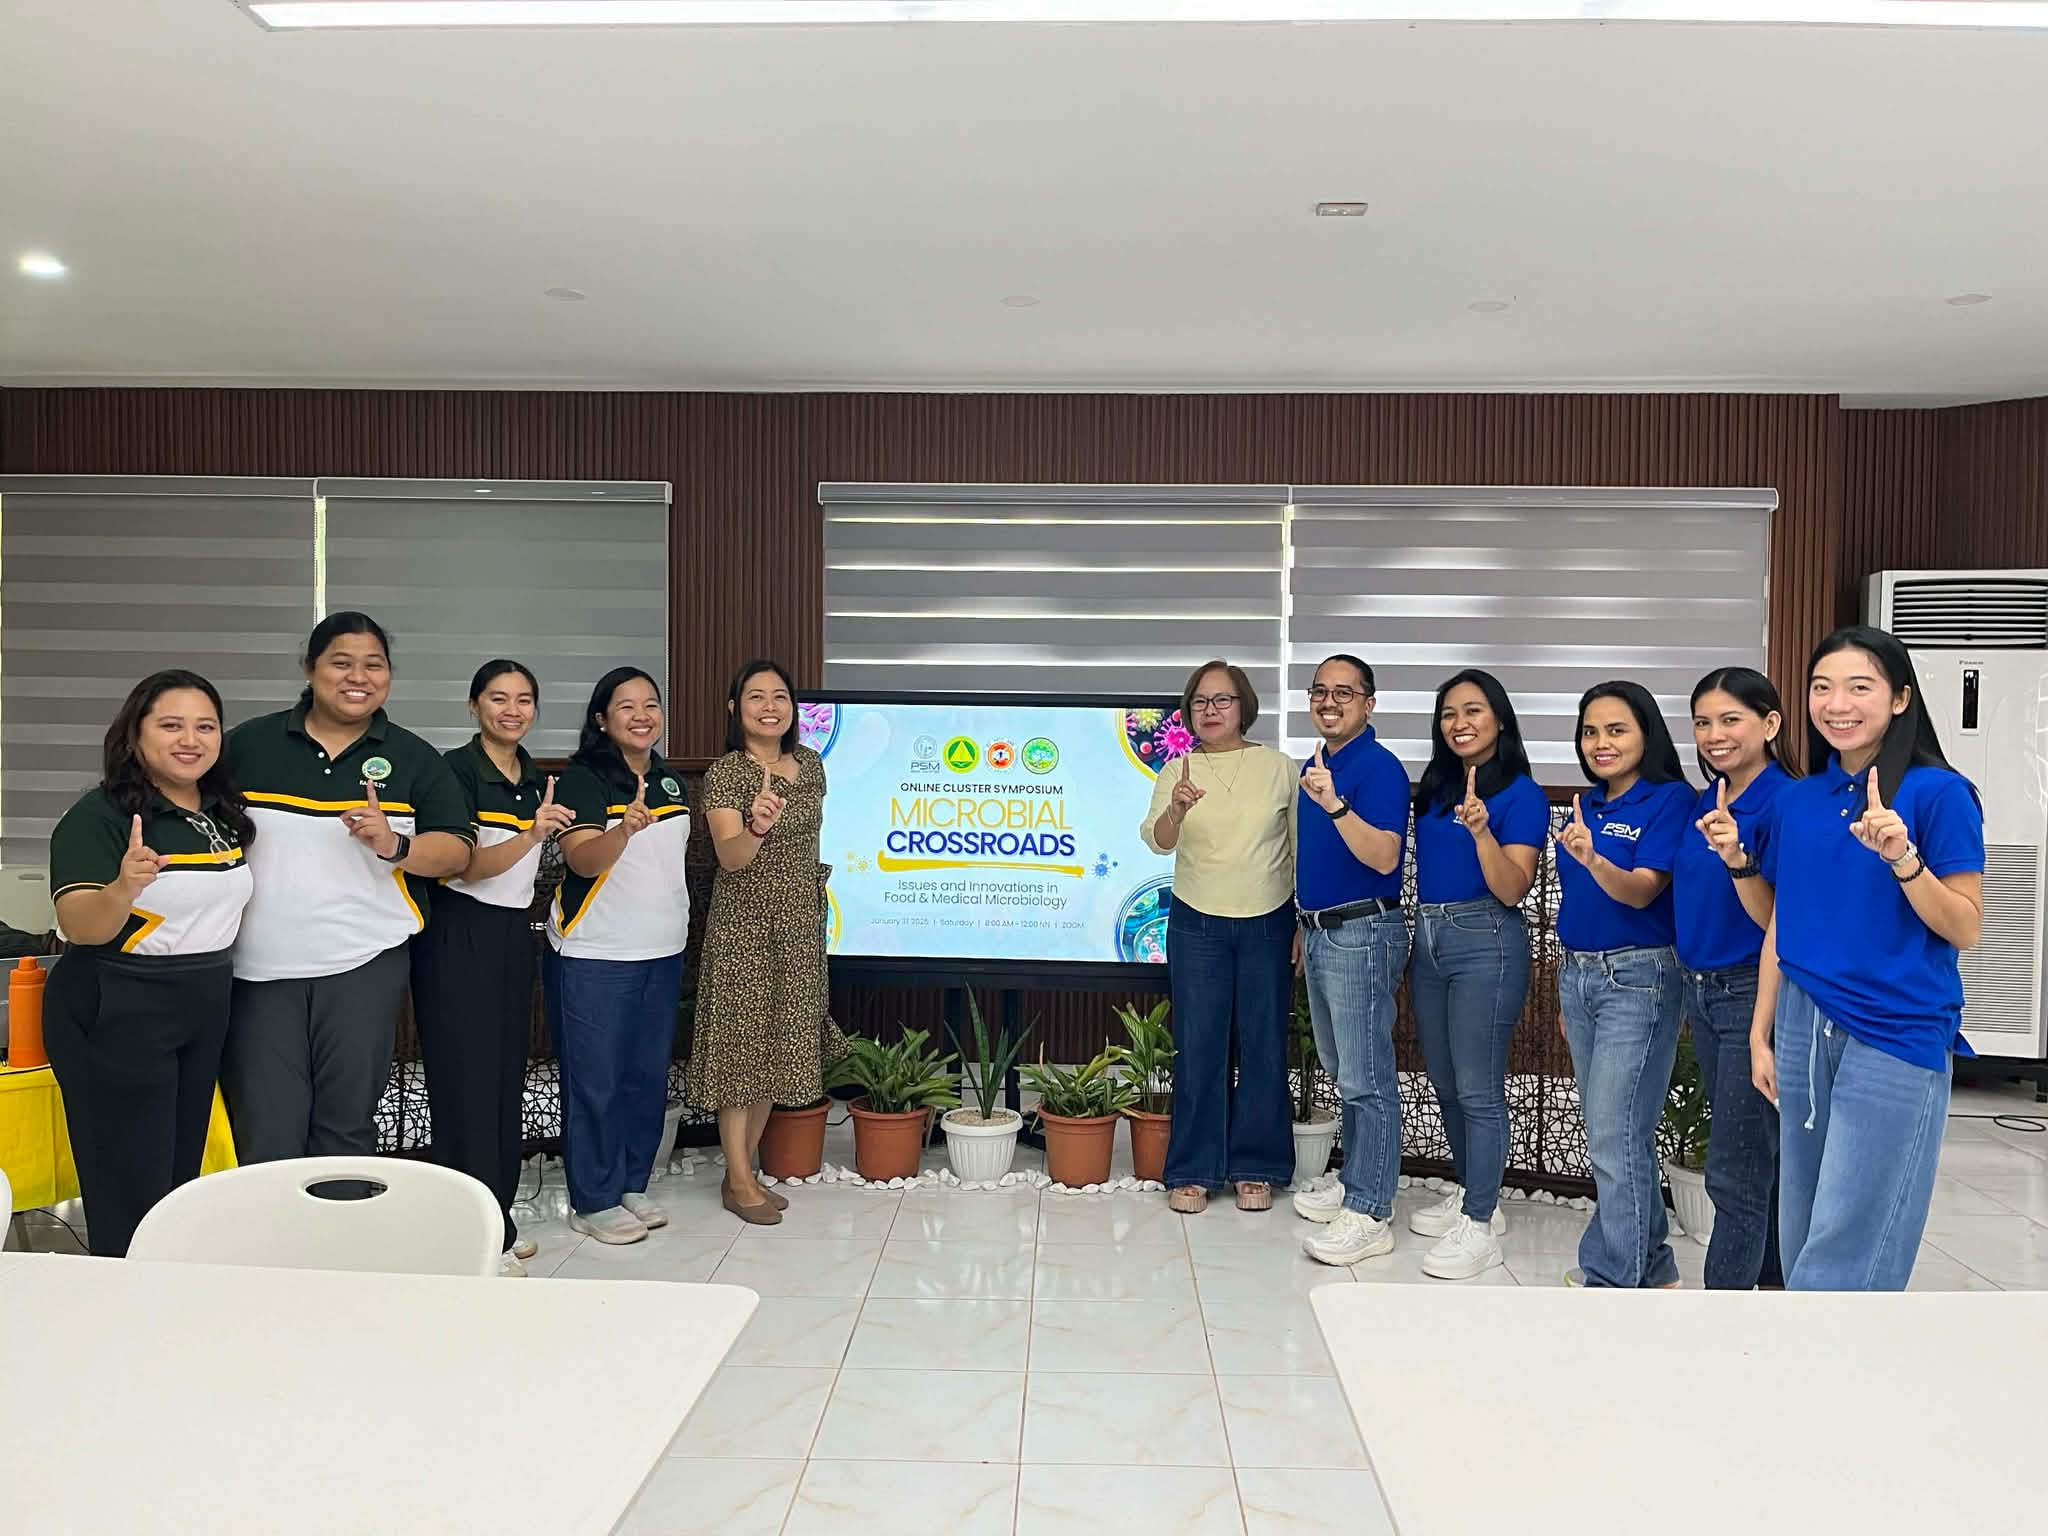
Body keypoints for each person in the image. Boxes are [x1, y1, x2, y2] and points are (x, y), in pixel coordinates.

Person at [1752, 626, 1983, 1291]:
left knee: (1855, 1231)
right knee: (1802, 1222)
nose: (1837, 704)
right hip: (1803, 1019)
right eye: (1821, 687)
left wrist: (1903, 857)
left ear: (1900, 698)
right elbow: (1784, 921)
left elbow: (1964, 925)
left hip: (1895, 1025)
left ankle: (1833, 1352)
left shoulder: (1939, 794)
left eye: (1860, 687)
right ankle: (1811, 1345)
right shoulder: (1798, 799)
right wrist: (1761, 1031)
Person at [222, 613, 471, 1166]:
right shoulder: (249, 746)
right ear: (310, 668)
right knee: (265, 1125)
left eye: (373, 665)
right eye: (341, 663)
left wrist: (395, 844)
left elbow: (457, 851)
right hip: (257, 969)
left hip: (365, 965)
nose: (358, 677)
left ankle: (340, 1223)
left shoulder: (413, 757)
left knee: (347, 1123)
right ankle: (268, 1226)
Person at [44, 671, 256, 1256]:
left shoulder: (220, 813)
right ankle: (123, 1295)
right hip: (120, 1005)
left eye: (205, 726)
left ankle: (167, 1292)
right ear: (135, 735)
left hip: (202, 1003)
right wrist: (123, 887)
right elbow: (81, 926)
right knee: (130, 1185)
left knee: (177, 1180)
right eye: (171, 725)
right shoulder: (101, 816)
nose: (190, 739)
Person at [410, 661, 573, 1277]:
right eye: (498, 698)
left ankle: (497, 1218)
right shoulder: (454, 771)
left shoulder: (532, 777)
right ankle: (467, 1230)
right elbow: (465, 866)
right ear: (474, 704)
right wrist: (532, 836)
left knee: (505, 1078)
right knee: (464, 1083)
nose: (512, 710)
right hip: (457, 933)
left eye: (524, 699)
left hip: (509, 935)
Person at [689, 659, 845, 1226]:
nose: (770, 707)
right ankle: (737, 1178)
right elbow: (731, 859)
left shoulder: (810, 765)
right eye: (756, 697)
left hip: (799, 924)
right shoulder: (727, 773)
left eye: (780, 696)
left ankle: (745, 1172)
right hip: (746, 928)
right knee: (742, 1052)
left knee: (775, 1051)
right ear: (735, 709)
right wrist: (756, 824)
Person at [1139, 659, 1297, 1215]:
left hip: (1268, 920)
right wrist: (1177, 810)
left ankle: (1257, 1166)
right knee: (1200, 1045)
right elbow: (1159, 841)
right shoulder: (1176, 770)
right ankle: (1193, 1169)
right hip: (1196, 923)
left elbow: (1299, 849)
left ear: (1243, 706)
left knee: (1263, 1044)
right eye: (1200, 701)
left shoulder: (1279, 768)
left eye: (1222, 700)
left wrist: (1302, 923)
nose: (1210, 710)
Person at [1405, 669, 1547, 1280]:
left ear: (1500, 720)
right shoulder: (1437, 788)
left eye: (1473, 711)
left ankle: (1482, 1223)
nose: (1459, 723)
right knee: (1444, 1080)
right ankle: (1471, 1191)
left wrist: (1482, 830)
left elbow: (1513, 888)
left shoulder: (1521, 794)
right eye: (1448, 713)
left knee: (1479, 1086)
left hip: (1485, 938)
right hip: (1428, 938)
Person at [1554, 681, 1695, 1288]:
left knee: (1615, 1135)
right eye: (1590, 731)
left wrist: (1593, 858)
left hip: (1637, 977)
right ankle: (1654, 1268)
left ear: (1647, 735)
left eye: (1616, 730)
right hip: (1580, 975)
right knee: (1615, 1130)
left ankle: (1615, 1279)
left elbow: (1641, 892)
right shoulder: (1588, 804)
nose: (1600, 743)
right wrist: (1570, 990)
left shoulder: (1669, 800)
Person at [547, 666, 691, 1246]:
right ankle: (593, 1198)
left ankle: (631, 1182)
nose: (641, 715)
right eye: (626, 706)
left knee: (644, 1078)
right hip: (596, 952)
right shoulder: (583, 780)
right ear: (602, 719)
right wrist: (622, 831)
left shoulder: (670, 781)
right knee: (596, 1080)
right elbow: (582, 861)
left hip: (662, 948)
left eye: (650, 704)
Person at [1287, 655, 1414, 1266]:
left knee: (1367, 1078)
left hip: (1362, 932)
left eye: (1344, 692)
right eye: (1320, 690)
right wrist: (1302, 923)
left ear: (1369, 704)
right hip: (1321, 932)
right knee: (1346, 1071)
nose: (1329, 701)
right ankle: (1360, 1178)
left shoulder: (1380, 768)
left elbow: (1385, 857)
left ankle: (1370, 1209)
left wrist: (1336, 805)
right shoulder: (1317, 765)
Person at [1675, 667, 1794, 1290]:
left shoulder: (1783, 802)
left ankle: (1721, 1309)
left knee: (1734, 1168)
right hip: (1704, 989)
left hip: (1753, 990)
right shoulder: (1711, 796)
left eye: (1730, 720)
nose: (1713, 734)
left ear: (1770, 724)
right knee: (1755, 1155)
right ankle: (1769, 1285)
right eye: (1703, 722)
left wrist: (1738, 859)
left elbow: (1778, 919)